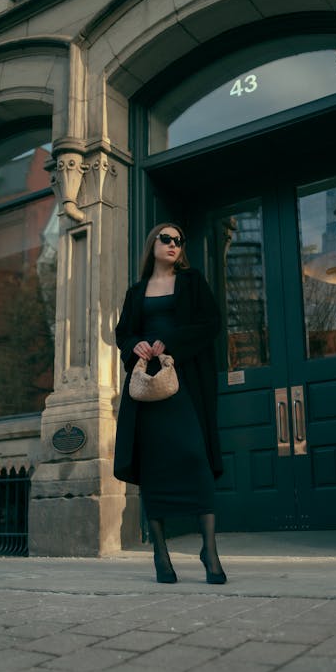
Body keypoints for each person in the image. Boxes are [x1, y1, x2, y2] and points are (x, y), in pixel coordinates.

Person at [114, 222, 226, 585]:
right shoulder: (136, 292)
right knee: (154, 468)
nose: (174, 244)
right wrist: (136, 345)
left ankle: (209, 550)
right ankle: (161, 555)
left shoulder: (192, 282)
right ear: (153, 245)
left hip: (184, 385)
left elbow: (211, 324)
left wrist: (169, 341)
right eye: (167, 238)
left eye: (179, 239)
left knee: (196, 458)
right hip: (147, 392)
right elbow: (122, 333)